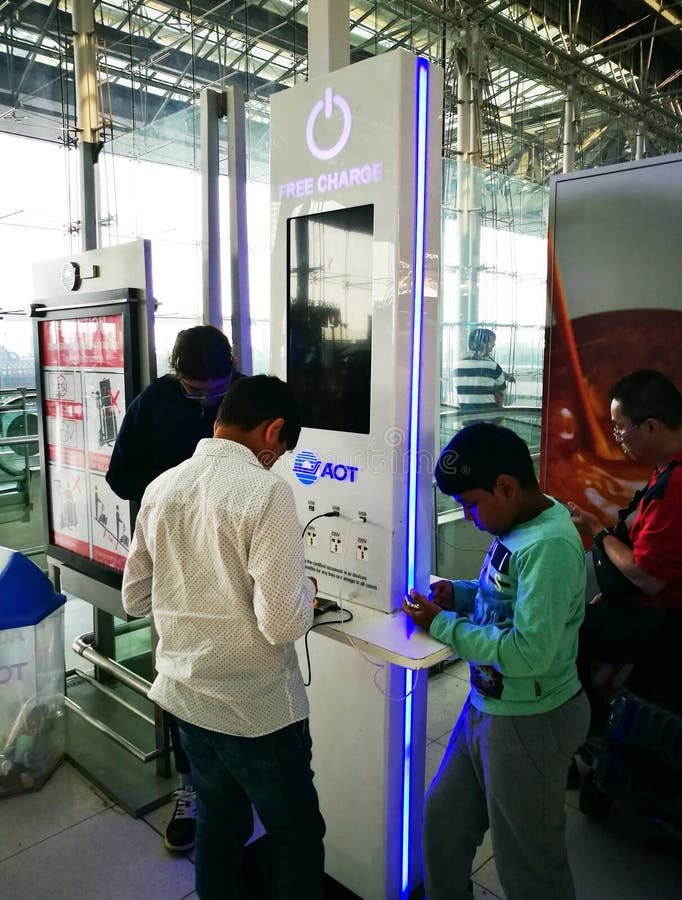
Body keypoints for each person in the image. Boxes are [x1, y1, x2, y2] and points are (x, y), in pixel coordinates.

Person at [121, 374, 326, 900]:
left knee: (219, 828)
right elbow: (283, 623)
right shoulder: (267, 493)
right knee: (296, 835)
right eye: (278, 451)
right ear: (273, 430)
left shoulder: (162, 487)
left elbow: (134, 600)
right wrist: (306, 590)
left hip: (186, 700)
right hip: (255, 711)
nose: (275, 462)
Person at [403, 422, 589, 900]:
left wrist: (441, 626)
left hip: (531, 720)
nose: (469, 515)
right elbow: (502, 595)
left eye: (471, 503)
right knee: (442, 823)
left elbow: (528, 652)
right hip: (488, 706)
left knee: (529, 865)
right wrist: (461, 595)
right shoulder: (517, 524)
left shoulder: (547, 545)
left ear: (506, 486)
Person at [106, 324, 241, 852]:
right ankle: (191, 788)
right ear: (174, 373)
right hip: (174, 559)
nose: (207, 400)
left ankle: (237, 774)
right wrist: (176, 490)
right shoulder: (152, 404)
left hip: (235, 553)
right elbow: (121, 478)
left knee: (242, 661)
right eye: (195, 390)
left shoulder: (248, 396)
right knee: (179, 672)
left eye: (217, 390)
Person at [567, 370, 682, 728]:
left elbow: (649, 579)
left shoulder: (676, 486)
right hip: (654, 608)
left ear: (651, 427)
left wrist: (597, 531)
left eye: (620, 428)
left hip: (667, 623)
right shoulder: (665, 468)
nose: (616, 438)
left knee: (568, 627)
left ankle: (587, 728)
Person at [453, 327, 513, 412]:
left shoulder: (457, 366)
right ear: (483, 344)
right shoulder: (492, 366)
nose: (493, 345)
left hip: (466, 418)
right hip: (488, 417)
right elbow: (502, 392)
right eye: (492, 342)